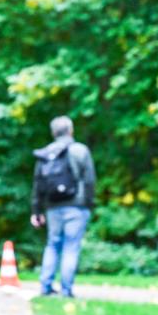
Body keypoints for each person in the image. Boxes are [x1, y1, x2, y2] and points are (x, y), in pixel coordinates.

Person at [30, 116, 96, 297]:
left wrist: (36, 211)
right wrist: (89, 205)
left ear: (53, 133)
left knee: (52, 245)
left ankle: (46, 287)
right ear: (71, 130)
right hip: (77, 206)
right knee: (71, 246)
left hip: (52, 208)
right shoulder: (80, 150)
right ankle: (66, 290)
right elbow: (89, 181)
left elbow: (38, 185)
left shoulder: (45, 154)